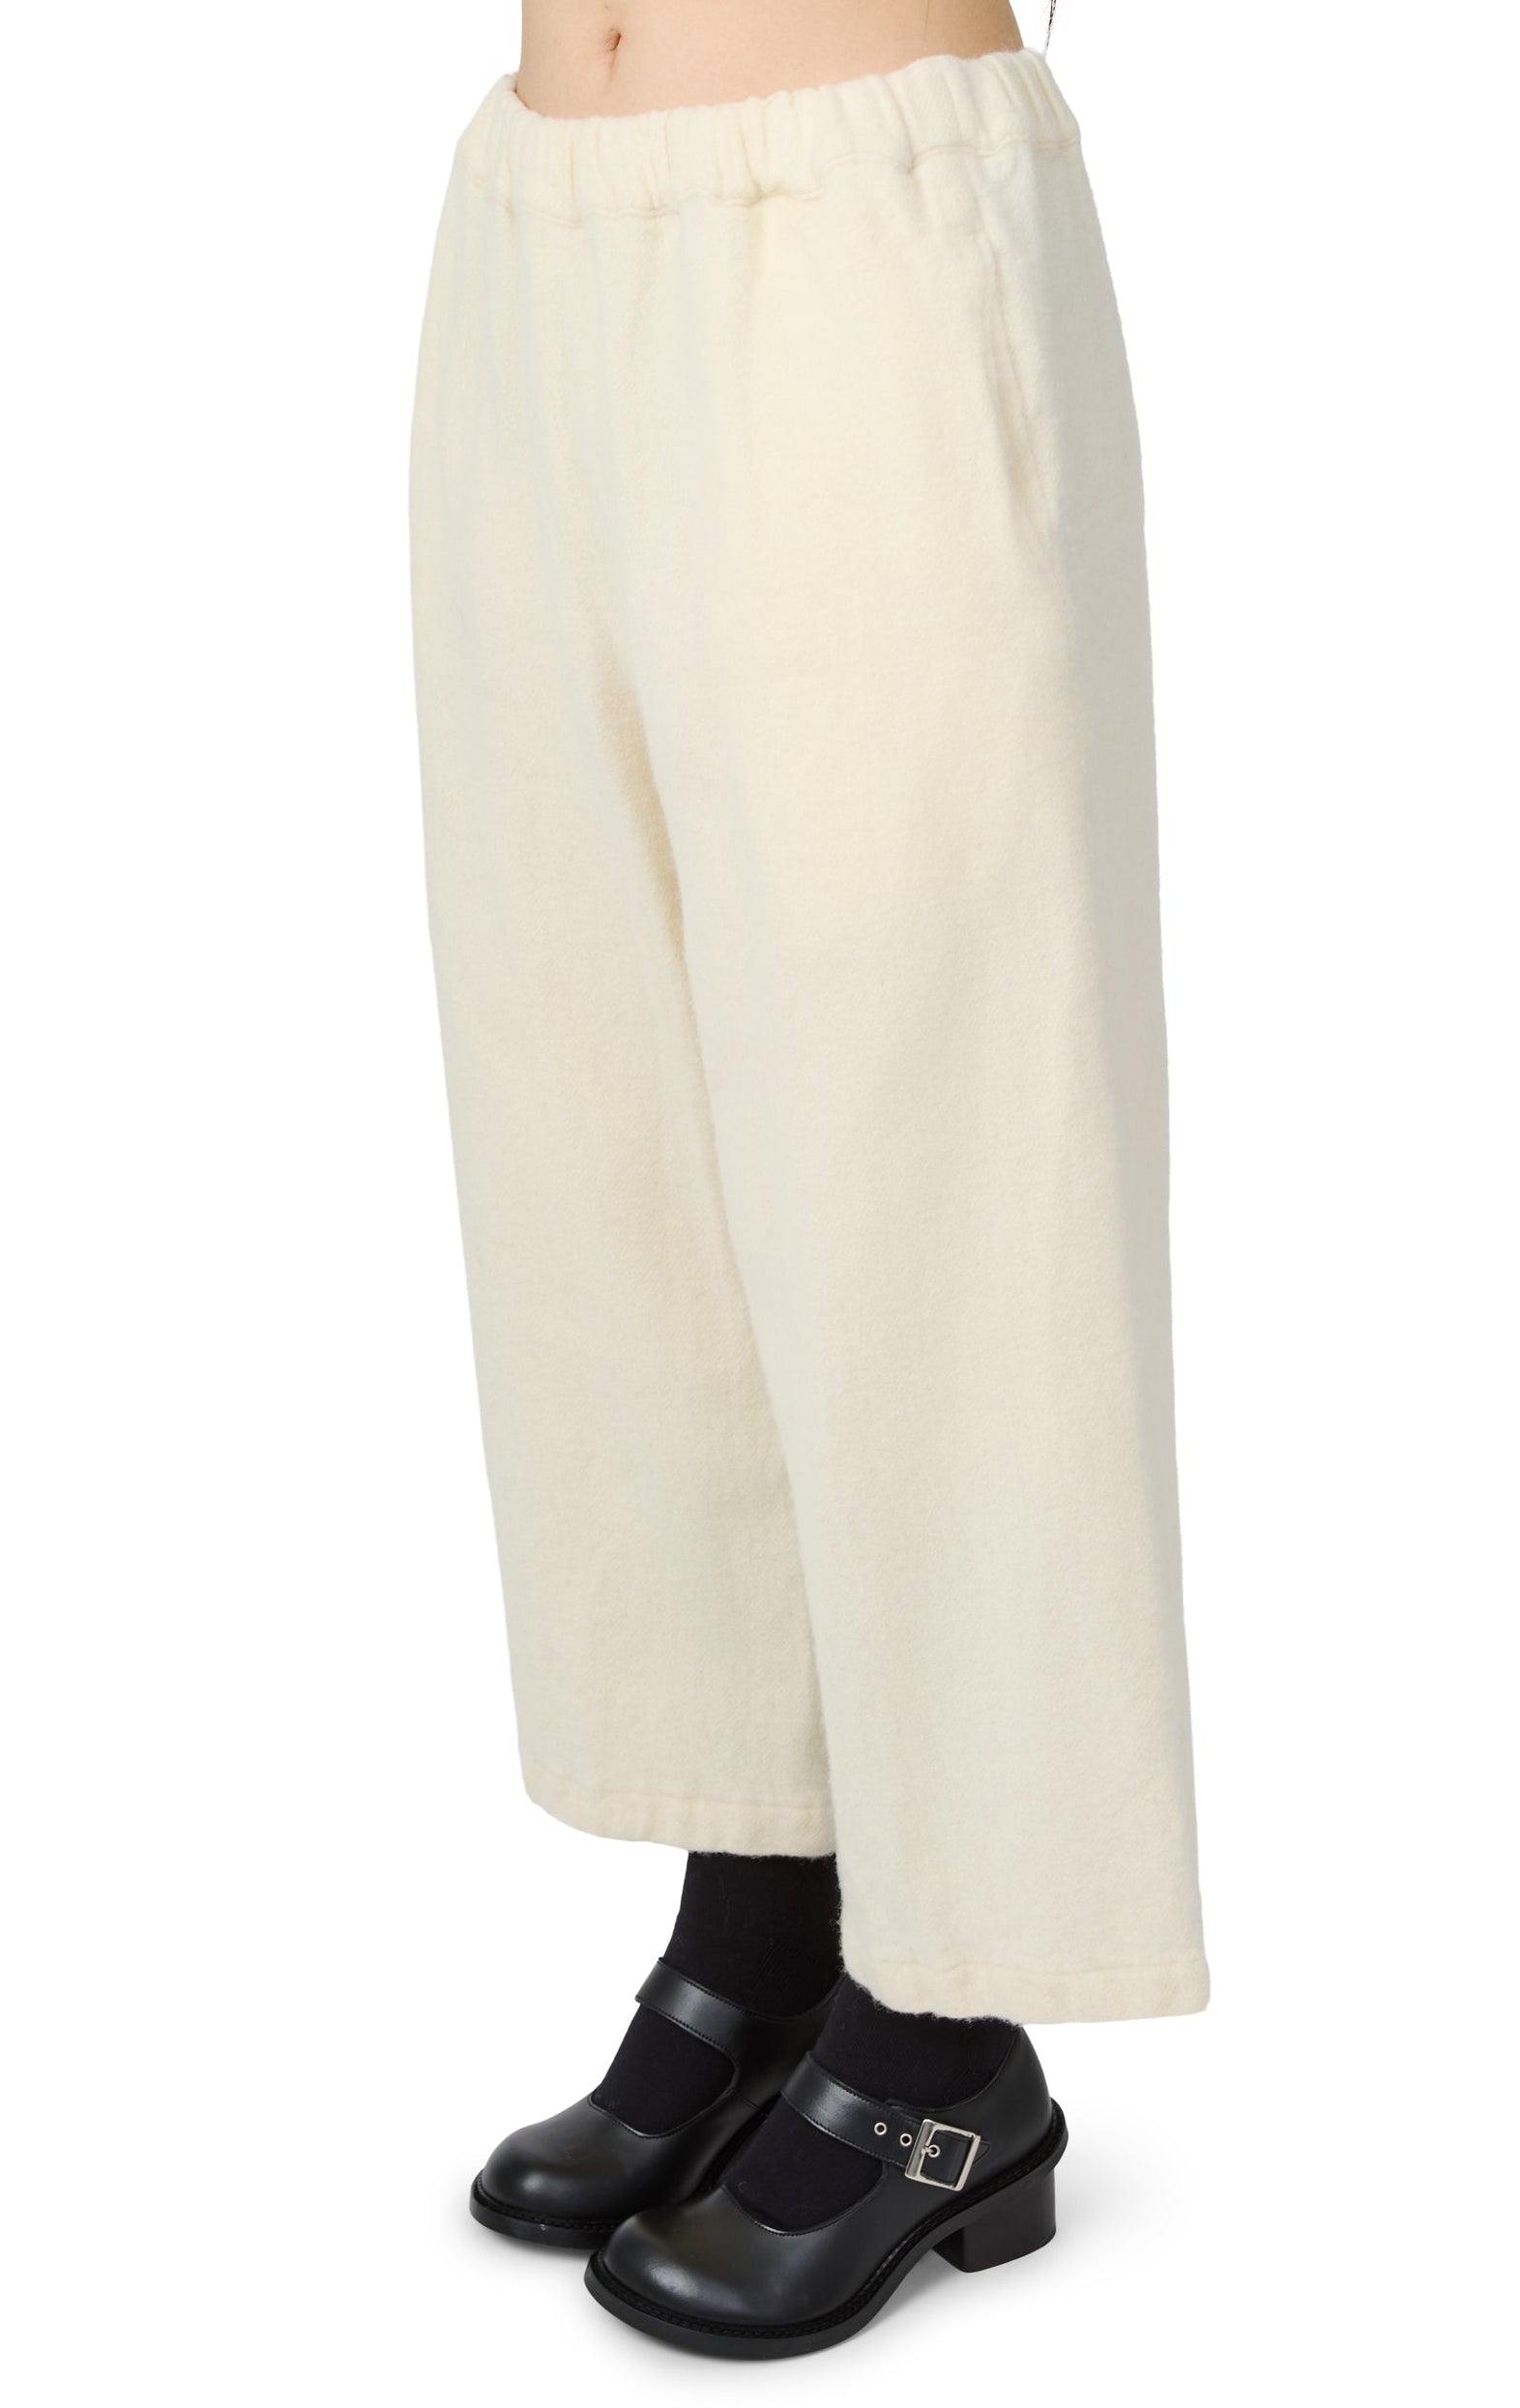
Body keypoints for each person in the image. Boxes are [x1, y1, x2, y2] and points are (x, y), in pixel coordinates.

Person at [408, 0, 1207, 2357]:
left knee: (934, 1168)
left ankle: (949, 2031)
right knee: (611, 1157)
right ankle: (767, 1919)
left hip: (853, 214)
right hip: (538, 230)